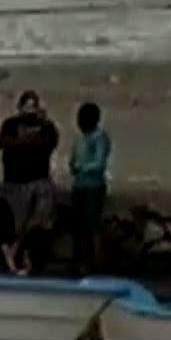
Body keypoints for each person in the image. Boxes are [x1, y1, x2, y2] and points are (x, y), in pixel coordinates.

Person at [0, 90, 59, 274]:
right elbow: (7, 144)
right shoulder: (10, 124)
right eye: (27, 105)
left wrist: (44, 124)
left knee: (40, 220)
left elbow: (50, 143)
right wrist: (30, 141)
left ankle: (17, 250)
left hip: (40, 180)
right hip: (17, 181)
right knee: (20, 222)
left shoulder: (46, 127)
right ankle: (18, 253)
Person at [68, 100, 112, 272]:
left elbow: (100, 163)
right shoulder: (79, 138)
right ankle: (78, 260)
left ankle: (91, 261)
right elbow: (73, 158)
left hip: (93, 186)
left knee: (90, 225)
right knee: (77, 226)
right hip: (79, 186)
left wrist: (82, 168)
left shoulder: (100, 137)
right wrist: (73, 166)